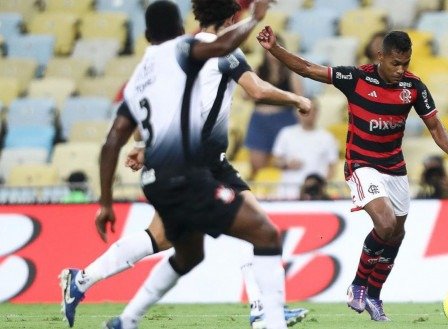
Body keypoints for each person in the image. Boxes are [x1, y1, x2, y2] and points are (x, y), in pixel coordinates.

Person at [59, 1, 312, 329]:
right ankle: (265, 313)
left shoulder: (156, 65)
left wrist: (145, 147)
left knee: (198, 239)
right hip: (196, 163)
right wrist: (297, 98)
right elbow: (255, 89)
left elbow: (132, 128)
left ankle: (261, 306)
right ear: (232, 17)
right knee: (254, 232)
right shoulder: (212, 50)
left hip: (181, 162)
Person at [257, 27, 448, 321]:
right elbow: (308, 69)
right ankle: (358, 285)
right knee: (385, 225)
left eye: (405, 64)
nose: (400, 70)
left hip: (394, 167)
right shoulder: (356, 78)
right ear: (380, 56)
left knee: (396, 234)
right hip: (362, 164)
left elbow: (434, 126)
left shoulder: (414, 88)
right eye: (395, 63)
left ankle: (373, 295)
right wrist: (274, 49)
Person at [244, 36, 304, 179]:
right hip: (260, 120)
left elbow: (300, 99)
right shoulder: (258, 70)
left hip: (284, 119)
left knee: (286, 161)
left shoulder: (290, 73)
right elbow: (245, 95)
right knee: (257, 164)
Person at [271, 99, 338, 199]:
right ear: (297, 113)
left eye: (313, 110)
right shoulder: (286, 133)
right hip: (288, 194)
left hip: (315, 196)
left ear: (317, 112)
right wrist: (287, 164)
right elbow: (275, 161)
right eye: (305, 110)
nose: (309, 114)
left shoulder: (327, 137)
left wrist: (319, 185)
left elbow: (332, 168)